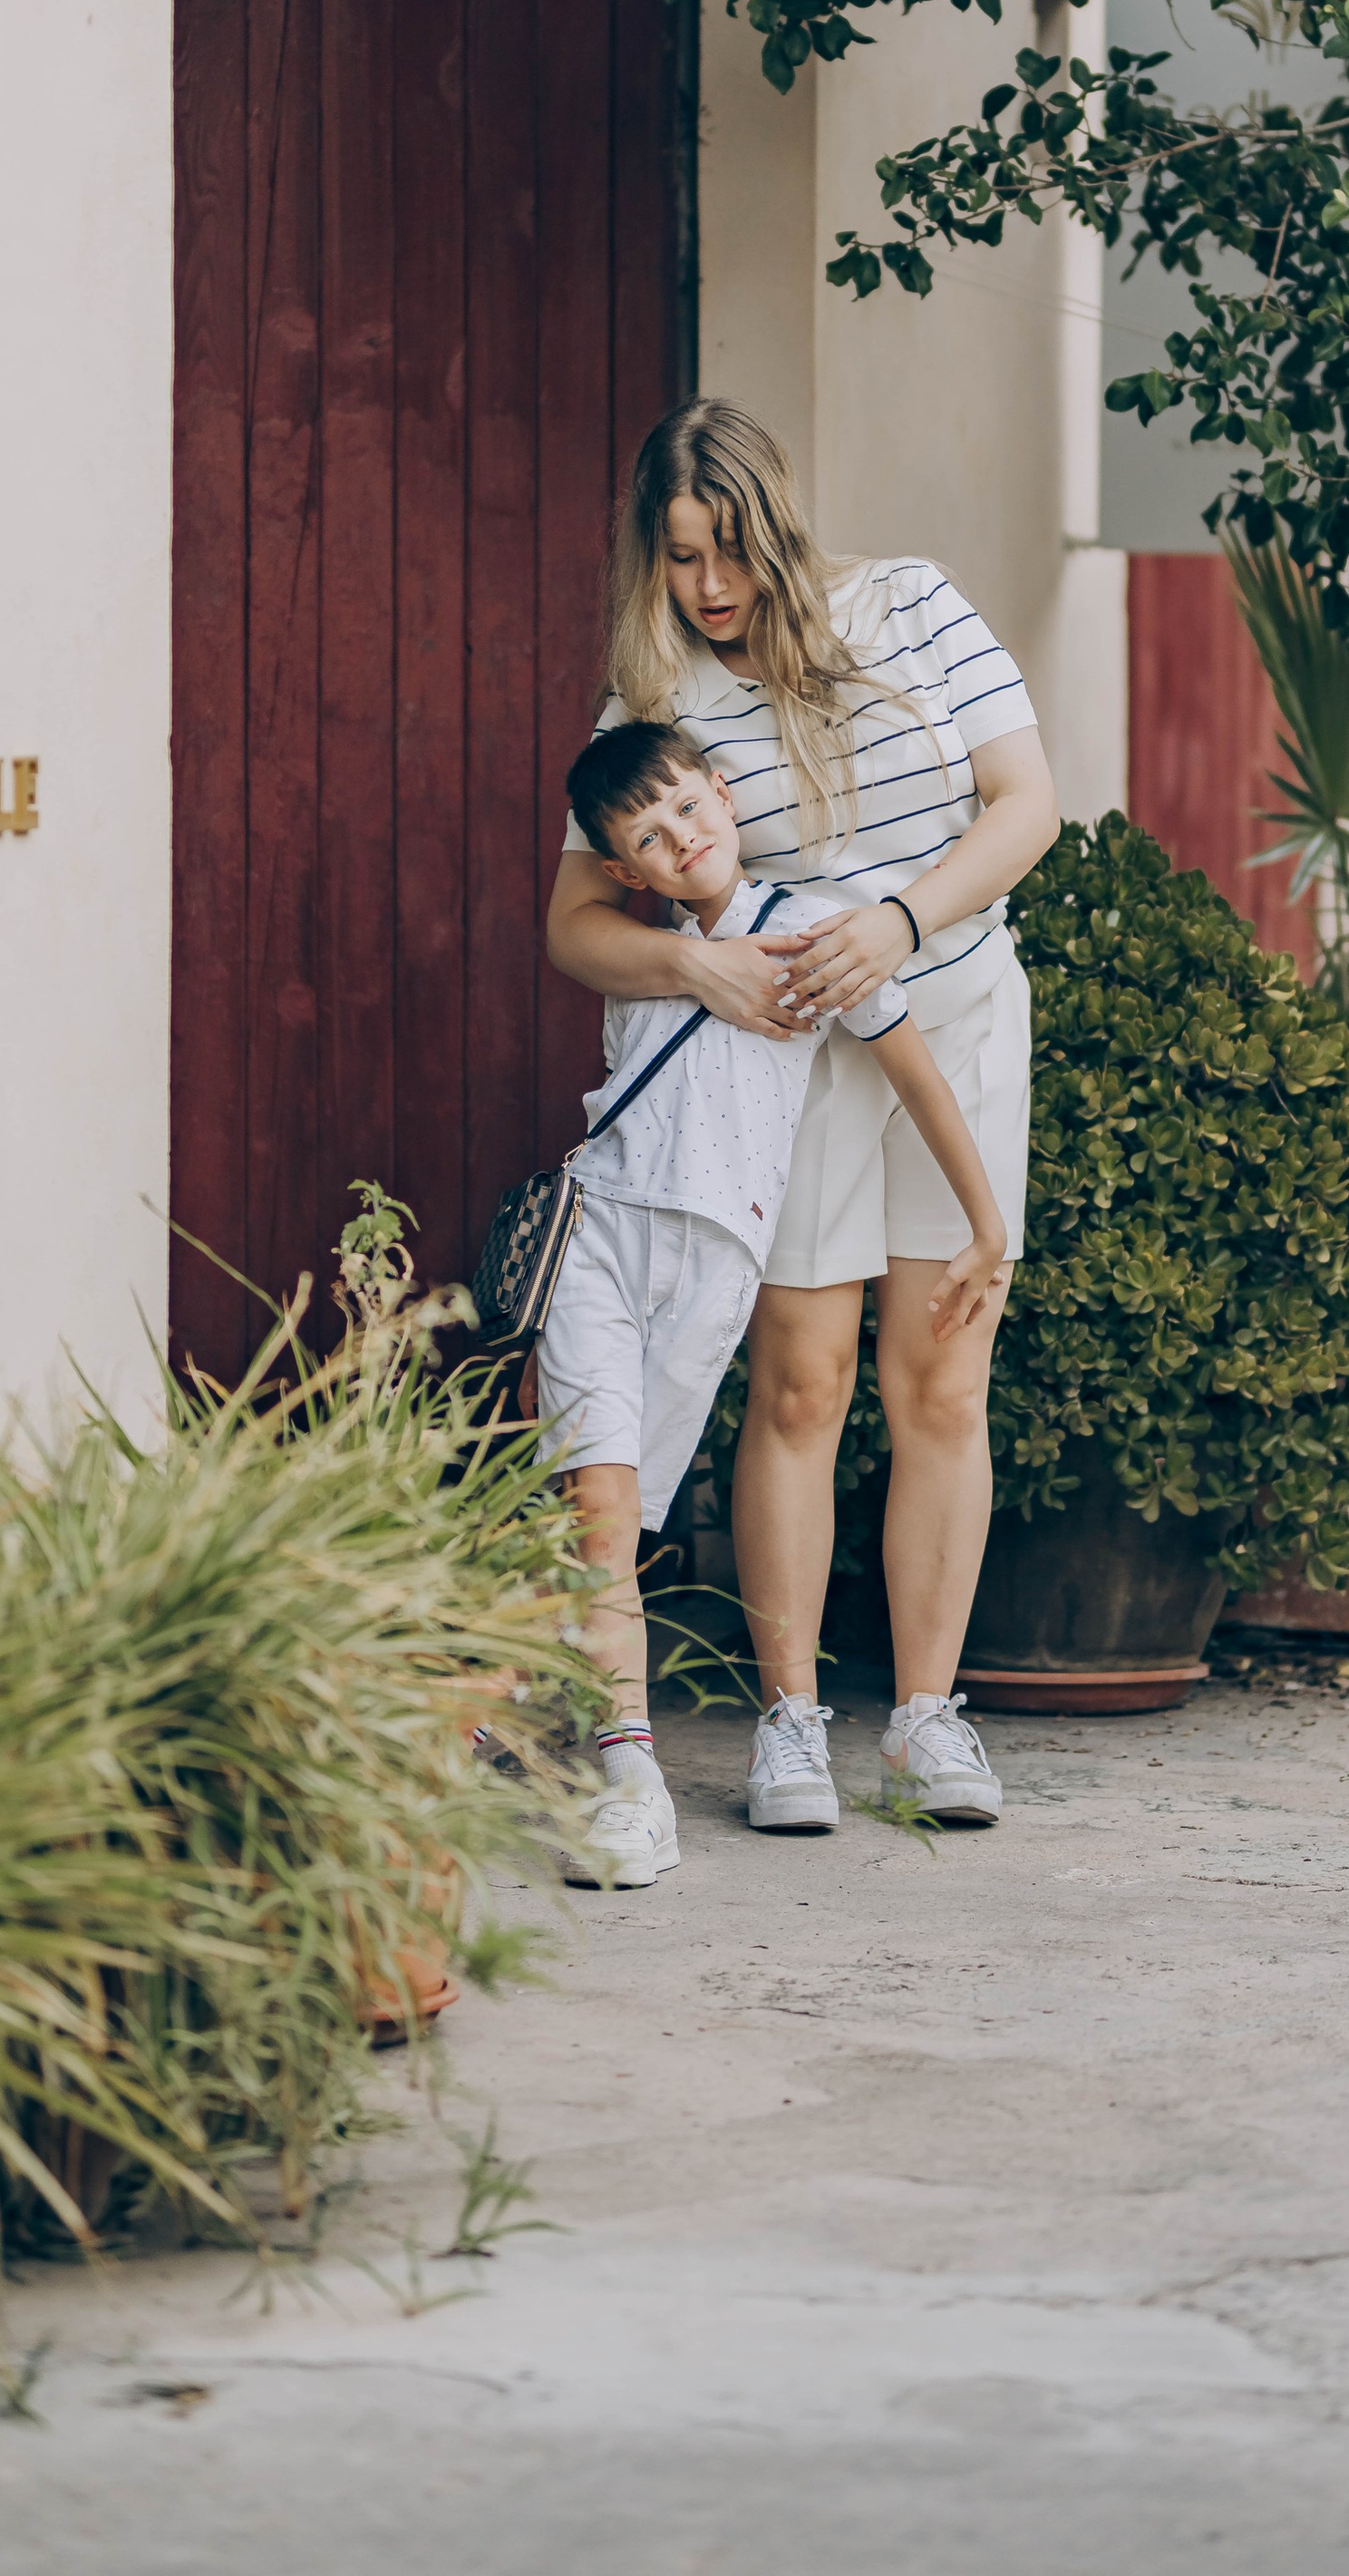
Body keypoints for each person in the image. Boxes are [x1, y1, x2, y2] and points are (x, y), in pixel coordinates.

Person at [548, 398, 1059, 1839]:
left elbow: (1025, 808)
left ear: (781, 527)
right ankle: (788, 1724)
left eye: (732, 551)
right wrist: (693, 961)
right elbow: (578, 925)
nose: (710, 589)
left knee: (944, 1381)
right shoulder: (653, 696)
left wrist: (898, 924)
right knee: (801, 1386)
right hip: (786, 1067)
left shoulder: (913, 611)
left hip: (951, 1019)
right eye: (680, 558)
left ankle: (926, 1721)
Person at [542, 720, 1006, 1891]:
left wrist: (985, 1222)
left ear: (725, 795)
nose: (682, 841)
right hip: (599, 1240)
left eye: (690, 810)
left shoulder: (811, 940)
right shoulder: (633, 950)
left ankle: (496, 1693)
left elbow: (915, 1072)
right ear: (627, 872)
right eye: (650, 838)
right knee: (601, 1523)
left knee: (616, 1534)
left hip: (709, 1276)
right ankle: (632, 1785)